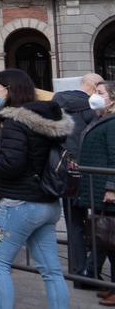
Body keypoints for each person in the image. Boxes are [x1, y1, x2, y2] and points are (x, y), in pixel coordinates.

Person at [0, 69, 72, 309]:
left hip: (20, 202)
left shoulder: (15, 122)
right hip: (47, 202)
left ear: (9, 89)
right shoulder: (48, 120)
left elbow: (11, 164)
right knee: (51, 270)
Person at [53, 72, 103, 279]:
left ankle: (77, 270)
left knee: (74, 221)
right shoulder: (94, 108)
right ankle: (91, 270)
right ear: (94, 87)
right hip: (94, 171)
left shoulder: (58, 102)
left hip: (67, 169)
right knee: (101, 221)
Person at [79, 80, 115, 304]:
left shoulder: (112, 123)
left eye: (100, 93)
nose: (95, 96)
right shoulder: (102, 118)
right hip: (97, 186)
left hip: (106, 188)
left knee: (111, 238)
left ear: (112, 98)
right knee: (106, 238)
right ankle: (106, 283)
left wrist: (112, 186)